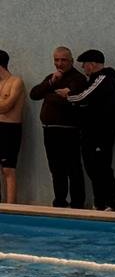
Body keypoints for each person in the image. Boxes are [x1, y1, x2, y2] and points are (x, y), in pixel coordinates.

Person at [57, 49, 115, 211]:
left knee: (102, 167)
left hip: (101, 131)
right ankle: (99, 202)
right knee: (92, 168)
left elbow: (84, 96)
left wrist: (68, 95)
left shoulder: (103, 78)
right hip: (90, 131)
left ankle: (109, 203)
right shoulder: (93, 80)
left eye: (84, 64)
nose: (83, 68)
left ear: (92, 65)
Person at [28, 46, 86, 208]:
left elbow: (73, 100)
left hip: (69, 130)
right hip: (50, 129)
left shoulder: (78, 79)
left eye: (63, 60)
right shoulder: (52, 78)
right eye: (56, 60)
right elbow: (34, 94)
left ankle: (77, 203)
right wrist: (51, 83)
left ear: (71, 61)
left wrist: (50, 95)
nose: (59, 63)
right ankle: (60, 200)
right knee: (56, 168)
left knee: (73, 167)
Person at [0, 50, 24, 204]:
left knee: (8, 169)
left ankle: (11, 206)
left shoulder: (16, 82)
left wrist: (3, 104)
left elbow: (6, 107)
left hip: (10, 129)